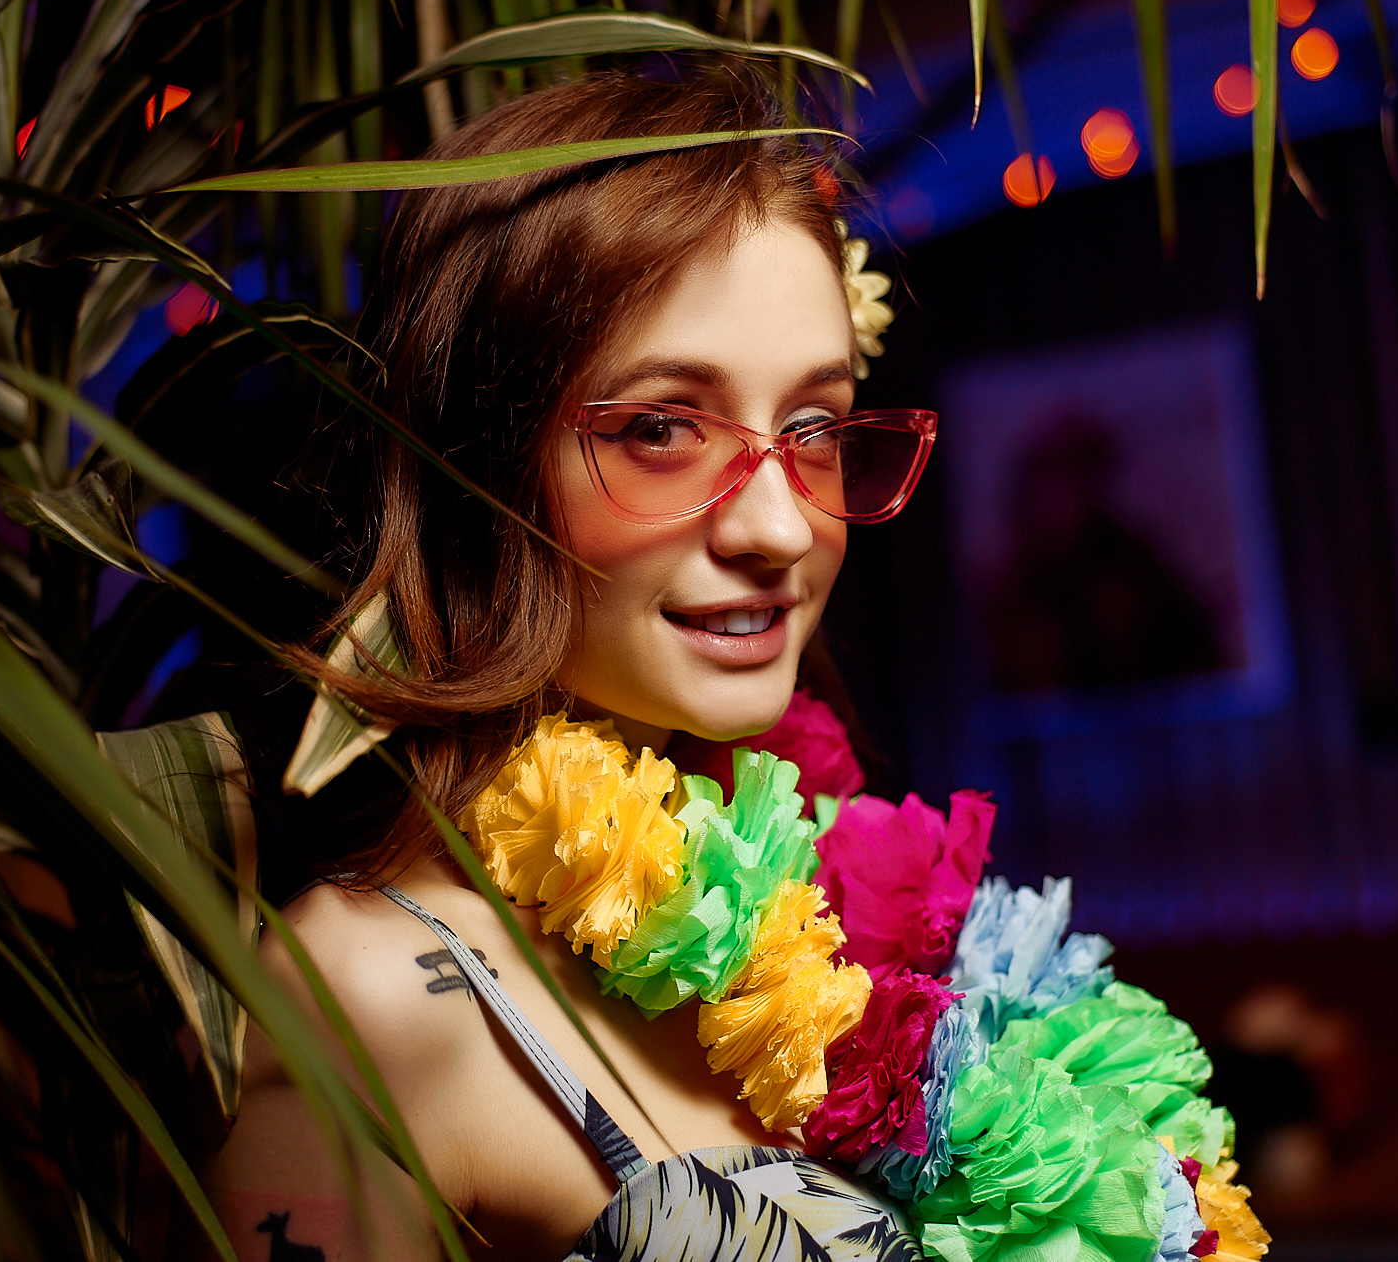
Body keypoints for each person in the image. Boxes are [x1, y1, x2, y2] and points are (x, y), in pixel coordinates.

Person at [203, 67, 935, 1261]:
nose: (780, 528)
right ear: (479, 470)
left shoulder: (842, 910)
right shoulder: (366, 998)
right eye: (661, 429)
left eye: (811, 428)